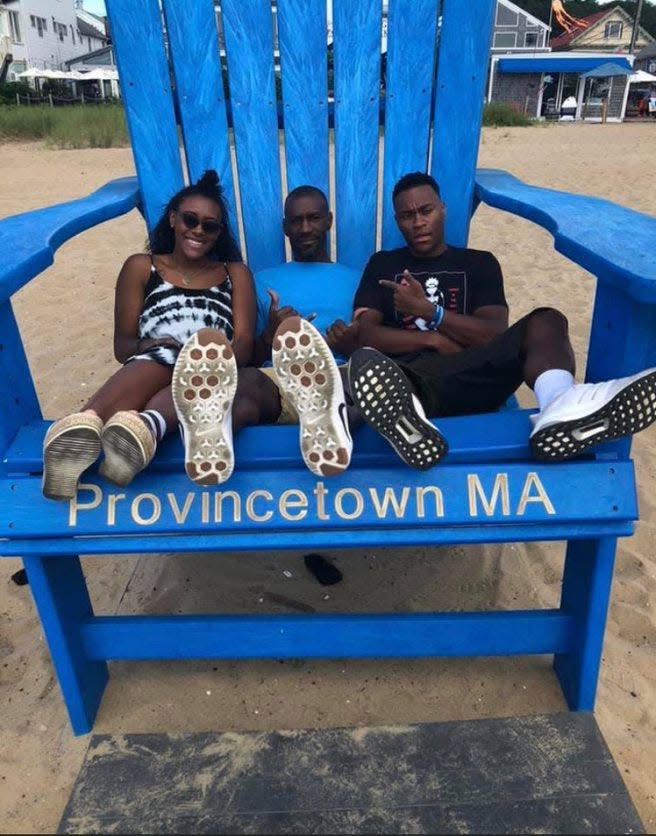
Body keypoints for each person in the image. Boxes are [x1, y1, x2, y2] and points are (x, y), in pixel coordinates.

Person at [339, 171, 656, 468]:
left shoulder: (479, 263)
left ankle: (560, 407)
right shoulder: (383, 264)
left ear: (443, 209)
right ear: (398, 221)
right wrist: (433, 338)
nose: (418, 222)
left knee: (547, 319)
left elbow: (493, 334)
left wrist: (430, 312)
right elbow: (364, 336)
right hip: (406, 378)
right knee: (380, 375)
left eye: (426, 211)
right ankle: (409, 418)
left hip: (476, 375)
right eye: (408, 216)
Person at [42, 169, 254, 500]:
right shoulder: (142, 266)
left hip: (213, 371)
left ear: (218, 233)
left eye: (209, 226)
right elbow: (123, 346)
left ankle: (124, 426)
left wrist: (212, 357)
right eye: (190, 220)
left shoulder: (234, 273)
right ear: (173, 219)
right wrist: (148, 344)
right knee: (164, 355)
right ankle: (94, 430)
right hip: (151, 359)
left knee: (193, 365)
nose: (198, 230)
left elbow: (243, 342)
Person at [171, 184, 356, 486]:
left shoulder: (356, 279)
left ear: (329, 221)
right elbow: (251, 356)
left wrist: (350, 343)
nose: (305, 228)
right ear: (285, 227)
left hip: (339, 376)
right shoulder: (262, 281)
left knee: (368, 380)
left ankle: (330, 416)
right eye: (296, 221)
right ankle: (211, 441)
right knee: (244, 384)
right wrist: (270, 335)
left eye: (314, 218)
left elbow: (371, 337)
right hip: (277, 382)